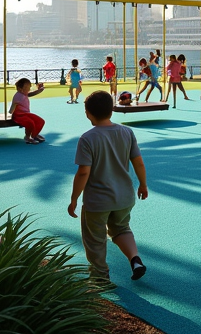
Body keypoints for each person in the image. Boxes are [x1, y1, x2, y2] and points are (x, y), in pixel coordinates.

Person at [68, 90, 148, 284]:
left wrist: (74, 198)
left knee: (95, 239)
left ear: (88, 112)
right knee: (121, 229)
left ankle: (99, 278)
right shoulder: (126, 132)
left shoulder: (87, 138)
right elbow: (138, 162)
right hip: (124, 197)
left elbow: (83, 172)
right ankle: (135, 259)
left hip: (98, 201)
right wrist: (143, 184)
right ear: (112, 109)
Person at [10, 77, 46, 144]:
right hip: (19, 115)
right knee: (30, 122)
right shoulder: (17, 96)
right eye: (27, 88)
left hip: (26, 114)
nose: (29, 89)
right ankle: (27, 137)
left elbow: (31, 94)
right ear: (20, 89)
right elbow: (13, 107)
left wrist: (40, 90)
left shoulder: (23, 93)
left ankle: (34, 134)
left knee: (40, 121)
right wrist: (10, 113)